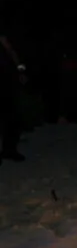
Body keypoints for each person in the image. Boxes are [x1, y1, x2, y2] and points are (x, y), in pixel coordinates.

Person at [0, 30, 28, 164]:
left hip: (8, 79)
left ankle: (9, 149)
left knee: (12, 116)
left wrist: (20, 70)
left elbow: (12, 51)